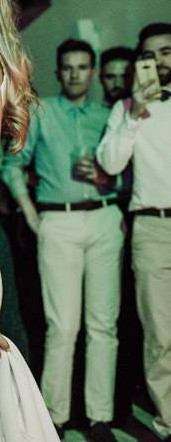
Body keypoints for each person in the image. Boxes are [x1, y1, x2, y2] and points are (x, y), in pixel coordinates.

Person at [2, 39, 122, 442]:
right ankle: (54, 417)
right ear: (58, 72)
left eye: (82, 67)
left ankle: (100, 418)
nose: (75, 74)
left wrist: (108, 178)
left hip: (104, 217)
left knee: (103, 325)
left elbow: (126, 172)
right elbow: (12, 162)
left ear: (93, 72)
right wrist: (31, 214)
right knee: (62, 325)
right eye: (68, 67)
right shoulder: (43, 112)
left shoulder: (108, 115)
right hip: (57, 221)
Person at [97, 22, 171, 442]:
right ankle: (168, 423)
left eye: (166, 51)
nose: (158, 61)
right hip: (152, 227)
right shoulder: (125, 108)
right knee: (161, 335)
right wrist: (133, 114)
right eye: (149, 54)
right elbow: (110, 163)